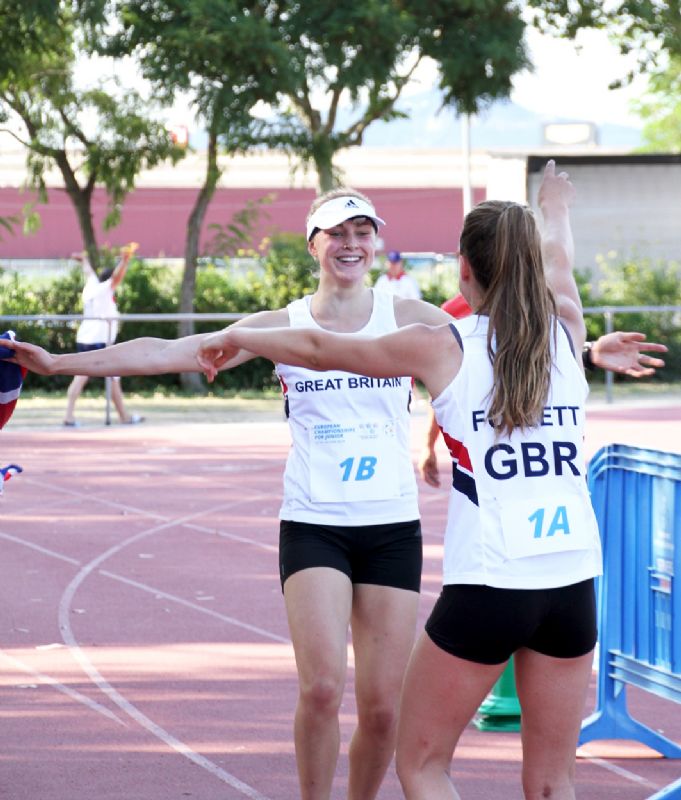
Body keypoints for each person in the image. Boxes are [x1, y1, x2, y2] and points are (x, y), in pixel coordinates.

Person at [0, 174, 667, 800]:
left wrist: (576, 345)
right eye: (336, 232)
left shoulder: (423, 326)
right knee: (325, 689)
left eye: (362, 230)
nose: (351, 243)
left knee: (387, 712)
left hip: (402, 533)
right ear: (314, 244)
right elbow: (166, 349)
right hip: (331, 524)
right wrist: (63, 362)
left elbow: (498, 350)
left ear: (440, 261)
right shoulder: (318, 325)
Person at [186, 160, 608, 799]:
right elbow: (559, 267)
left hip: (493, 580)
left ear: (464, 270)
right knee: (553, 784)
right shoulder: (568, 331)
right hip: (573, 581)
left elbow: (324, 350)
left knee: (422, 765)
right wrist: (556, 210)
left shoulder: (445, 344)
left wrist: (241, 334)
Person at [418, 293, 667, 487]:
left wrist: (587, 354)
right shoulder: (451, 313)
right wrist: (428, 445)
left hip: (538, 450)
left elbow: (543, 355)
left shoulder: (539, 301)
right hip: (489, 455)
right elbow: (443, 389)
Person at [63, 244, 144, 427]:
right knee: (113, 378)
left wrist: (83, 259)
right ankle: (124, 416)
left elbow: (88, 271)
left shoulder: (91, 286)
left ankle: (69, 416)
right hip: (100, 340)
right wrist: (124, 261)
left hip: (84, 338)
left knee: (83, 376)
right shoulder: (106, 289)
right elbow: (117, 278)